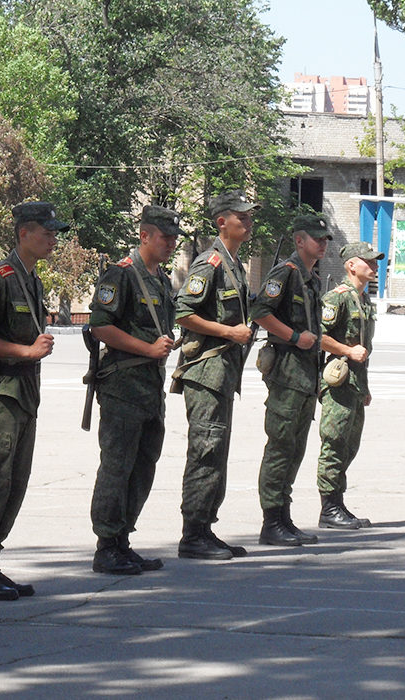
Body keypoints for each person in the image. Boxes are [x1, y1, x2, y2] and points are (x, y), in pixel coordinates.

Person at [0, 201, 60, 600]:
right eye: (47, 232)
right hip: (0, 392)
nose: (53, 239)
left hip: (24, 394)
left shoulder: (32, 280)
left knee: (15, 481)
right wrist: (26, 352)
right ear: (24, 233)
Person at [87, 205, 181, 575]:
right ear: (144, 236)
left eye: (174, 237)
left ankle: (123, 539)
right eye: (164, 236)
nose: (171, 243)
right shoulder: (121, 275)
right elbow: (100, 326)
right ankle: (106, 545)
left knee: (143, 466)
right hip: (123, 387)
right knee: (117, 466)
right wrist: (148, 349)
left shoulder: (161, 279)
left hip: (149, 388)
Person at [172, 191, 257, 560]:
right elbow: (184, 312)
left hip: (223, 373)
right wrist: (229, 333)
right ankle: (193, 533)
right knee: (206, 449)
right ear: (222, 221)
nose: (249, 221)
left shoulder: (235, 264)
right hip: (205, 371)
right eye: (242, 216)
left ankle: (205, 527)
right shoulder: (211, 262)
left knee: (217, 450)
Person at [249, 212, 331, 546]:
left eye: (325, 239)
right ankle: (271, 521)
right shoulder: (286, 273)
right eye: (317, 239)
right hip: (287, 373)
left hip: (306, 374)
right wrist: (295, 337)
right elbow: (261, 312)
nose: (323, 244)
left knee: (295, 449)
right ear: (300, 240)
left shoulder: (310, 278)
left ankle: (284, 516)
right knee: (281, 447)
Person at [314, 241, 382, 529]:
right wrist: (346, 350)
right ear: (351, 265)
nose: (374, 266)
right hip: (338, 382)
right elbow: (318, 334)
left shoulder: (364, 301)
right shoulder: (337, 298)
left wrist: (364, 387)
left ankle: (338, 503)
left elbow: (365, 348)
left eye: (376, 261)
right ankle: (329, 509)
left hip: (355, 383)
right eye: (368, 261)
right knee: (334, 443)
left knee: (349, 446)